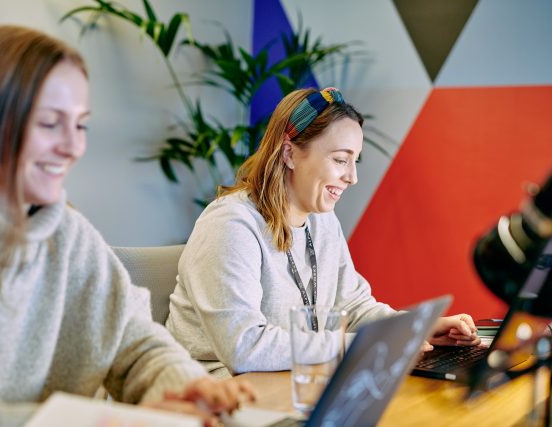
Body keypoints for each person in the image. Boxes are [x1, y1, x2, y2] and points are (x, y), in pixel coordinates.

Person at [0, 25, 254, 427]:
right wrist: (94, 422)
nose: (73, 147)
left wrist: (186, 387)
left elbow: (136, 344)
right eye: (49, 123)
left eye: (80, 125)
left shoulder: (67, 234)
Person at [166, 87, 480, 377]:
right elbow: (244, 348)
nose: (352, 177)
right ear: (289, 154)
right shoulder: (230, 224)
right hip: (214, 396)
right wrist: (359, 346)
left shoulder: (322, 222)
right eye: (341, 159)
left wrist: (411, 330)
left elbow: (355, 308)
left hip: (290, 382)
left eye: (354, 161)